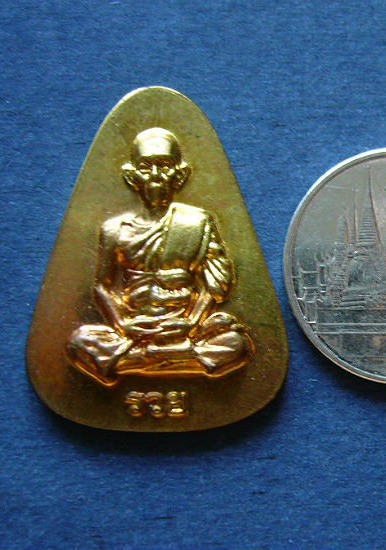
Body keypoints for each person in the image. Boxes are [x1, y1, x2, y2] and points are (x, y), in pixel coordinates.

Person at [67, 127, 254, 387]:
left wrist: (190, 323)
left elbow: (215, 286)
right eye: (145, 167)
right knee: (79, 342)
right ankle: (173, 360)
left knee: (236, 344)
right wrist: (123, 324)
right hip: (134, 329)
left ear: (181, 174)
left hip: (184, 327)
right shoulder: (114, 229)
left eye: (164, 166)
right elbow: (102, 287)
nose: (155, 175)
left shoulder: (197, 222)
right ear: (132, 176)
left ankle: (138, 361)